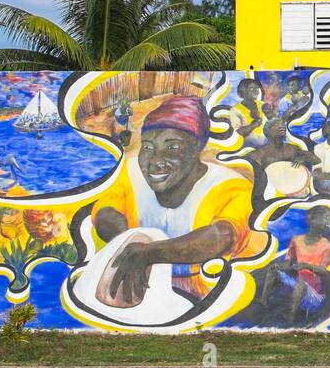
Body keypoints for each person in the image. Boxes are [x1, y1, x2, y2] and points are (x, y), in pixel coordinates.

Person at [92, 95, 257, 305]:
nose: (155, 161)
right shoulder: (130, 172)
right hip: (143, 285)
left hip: (206, 294)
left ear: (197, 148)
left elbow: (220, 235)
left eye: (172, 147)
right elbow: (105, 211)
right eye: (148, 147)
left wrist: (148, 253)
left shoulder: (231, 186)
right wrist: (130, 242)